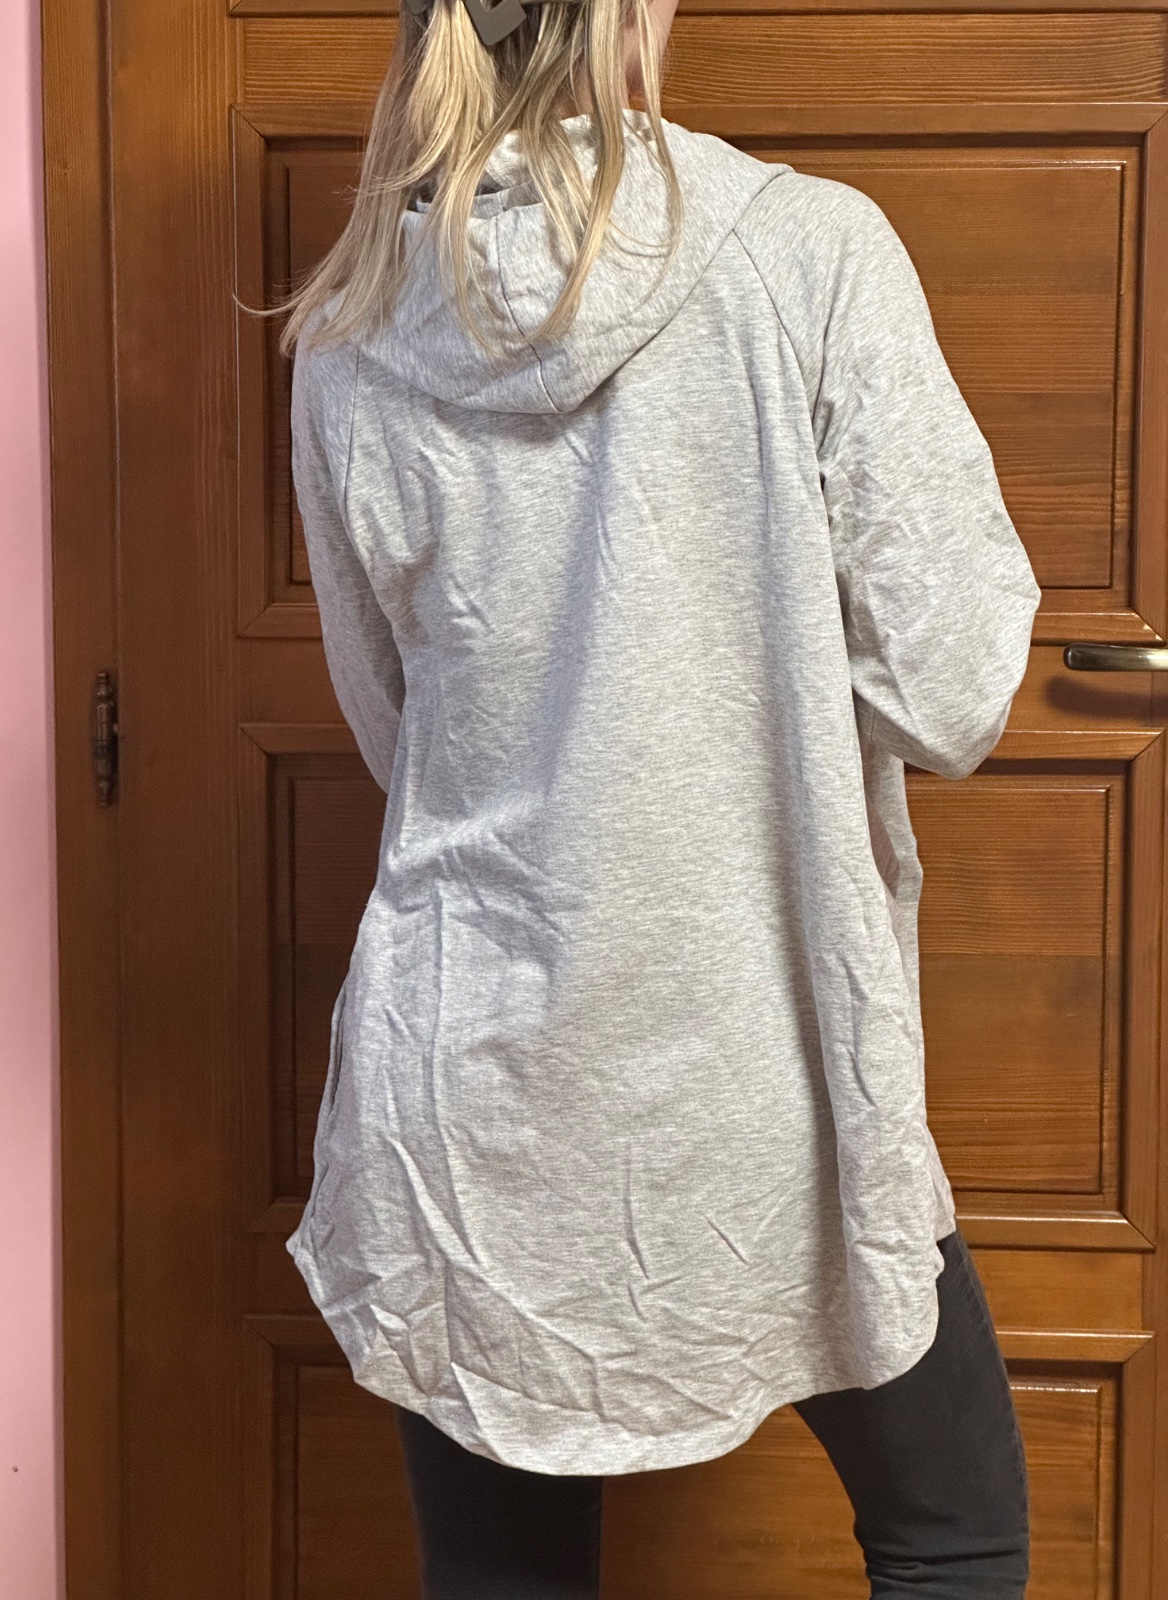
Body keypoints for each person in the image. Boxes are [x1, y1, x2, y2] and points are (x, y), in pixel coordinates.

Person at [255, 0, 1042, 1589]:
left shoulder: (351, 325)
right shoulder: (809, 253)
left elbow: (399, 728)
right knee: (954, 1539)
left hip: (471, 1093)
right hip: (775, 1067)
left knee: (508, 1579)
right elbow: (951, 689)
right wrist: (756, 675)